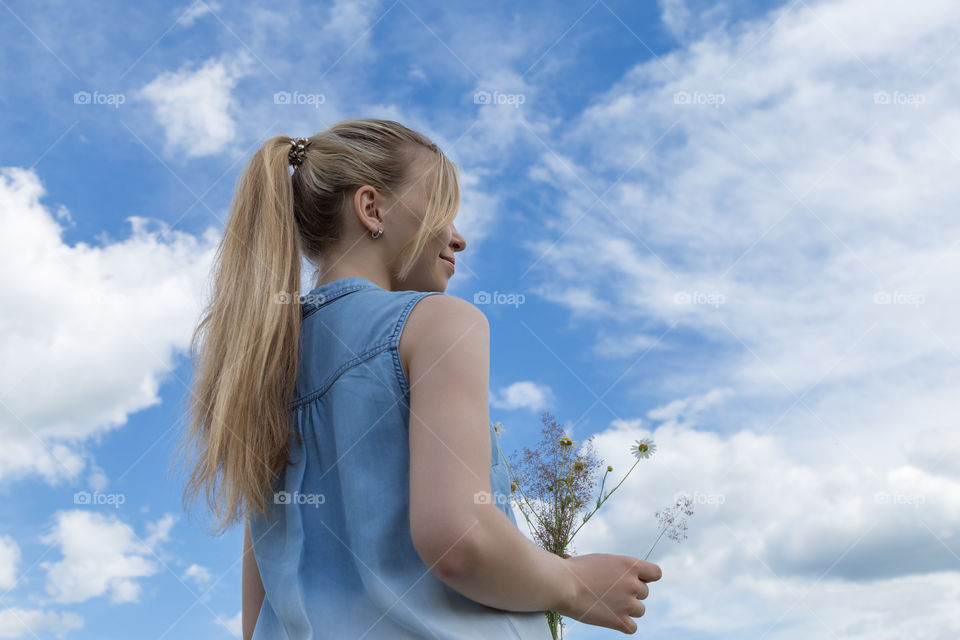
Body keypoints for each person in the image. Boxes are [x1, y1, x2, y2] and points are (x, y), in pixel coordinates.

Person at [178, 118, 661, 639]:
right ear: (371, 209)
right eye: (443, 211)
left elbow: (258, 613)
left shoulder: (261, 369)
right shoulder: (438, 323)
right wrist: (571, 582)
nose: (459, 237)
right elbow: (458, 541)